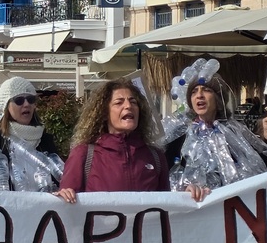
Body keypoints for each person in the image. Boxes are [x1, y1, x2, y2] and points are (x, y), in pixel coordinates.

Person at [57, 79, 208, 202]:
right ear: (104, 113)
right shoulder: (84, 154)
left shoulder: (155, 156)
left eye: (133, 102)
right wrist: (61, 197)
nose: (128, 106)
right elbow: (67, 206)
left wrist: (186, 197)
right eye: (119, 102)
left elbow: (166, 206)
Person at [175, 62, 267, 190]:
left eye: (206, 90)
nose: (199, 95)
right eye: (194, 92)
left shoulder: (234, 132)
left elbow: (263, 167)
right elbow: (171, 175)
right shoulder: (182, 137)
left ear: (218, 99)